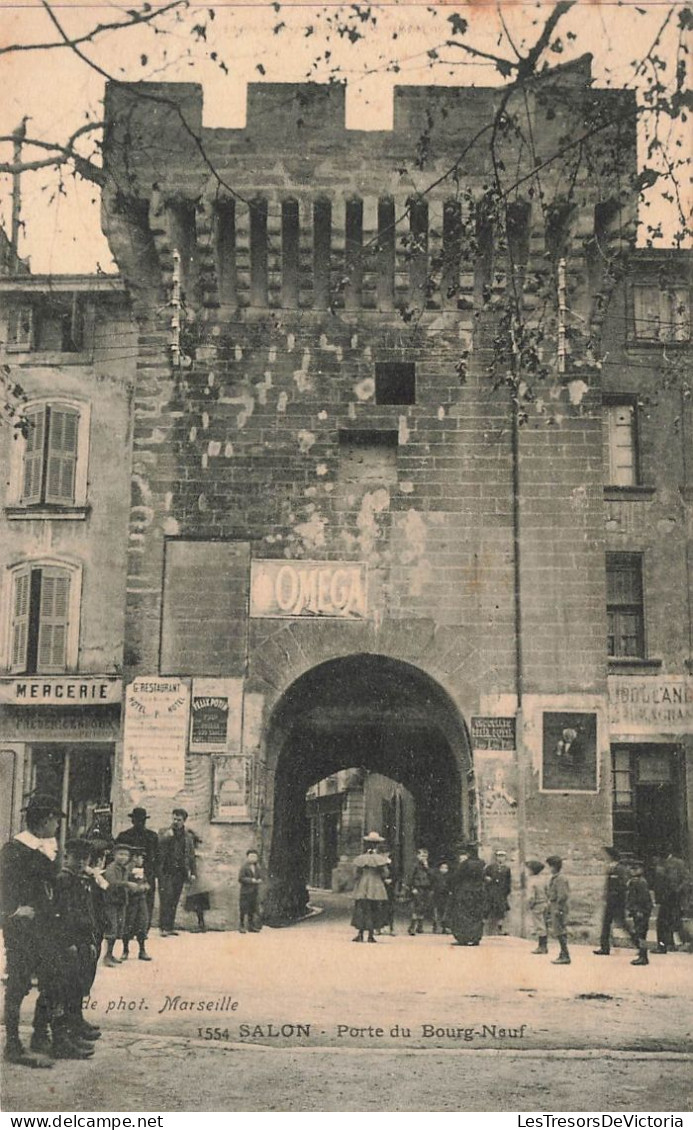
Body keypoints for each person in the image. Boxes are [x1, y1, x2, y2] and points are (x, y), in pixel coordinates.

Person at [0, 794, 66, 1067]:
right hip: (22, 929)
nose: (58, 826)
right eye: (55, 820)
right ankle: (12, 1044)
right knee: (19, 983)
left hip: (45, 926)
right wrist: (13, 912)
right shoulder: (14, 850)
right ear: (45, 820)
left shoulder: (45, 847)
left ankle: (40, 1034)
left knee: (52, 977)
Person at [51, 839, 100, 1054]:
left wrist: (89, 939)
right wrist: (68, 942)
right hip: (68, 941)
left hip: (81, 939)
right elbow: (62, 915)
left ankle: (76, 1024)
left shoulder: (82, 879)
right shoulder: (64, 880)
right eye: (76, 857)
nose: (80, 862)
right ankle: (66, 1036)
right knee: (66, 987)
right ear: (66, 857)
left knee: (79, 983)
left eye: (85, 858)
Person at [114, 808, 159, 927]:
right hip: (128, 873)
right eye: (136, 820)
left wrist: (152, 873)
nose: (139, 823)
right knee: (128, 900)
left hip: (147, 873)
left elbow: (157, 857)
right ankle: (127, 927)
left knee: (146, 901)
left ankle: (143, 928)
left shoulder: (152, 836)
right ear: (132, 821)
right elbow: (117, 854)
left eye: (141, 821)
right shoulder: (124, 836)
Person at [158, 808, 197, 936]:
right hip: (166, 871)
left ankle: (170, 927)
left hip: (180, 872)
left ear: (184, 821)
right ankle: (163, 927)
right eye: (174, 818)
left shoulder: (188, 836)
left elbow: (191, 856)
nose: (176, 822)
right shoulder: (164, 832)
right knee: (166, 898)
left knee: (174, 899)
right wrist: (165, 838)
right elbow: (157, 847)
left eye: (179, 820)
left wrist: (193, 872)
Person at [351, 831, 389, 943]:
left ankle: (360, 934)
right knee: (374, 909)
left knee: (362, 909)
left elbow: (356, 874)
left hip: (363, 885)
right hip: (376, 886)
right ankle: (371, 935)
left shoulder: (361, 858)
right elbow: (385, 873)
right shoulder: (380, 859)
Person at [102, 843, 136, 965]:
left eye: (126, 855)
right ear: (114, 855)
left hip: (121, 902)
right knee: (112, 927)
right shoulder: (112, 868)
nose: (123, 857)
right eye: (120, 854)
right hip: (111, 901)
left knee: (118, 928)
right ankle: (107, 956)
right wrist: (127, 884)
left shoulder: (124, 868)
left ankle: (110, 954)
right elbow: (112, 883)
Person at [447, 844, 486, 946]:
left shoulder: (465, 864)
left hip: (465, 892)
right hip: (478, 892)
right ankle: (475, 937)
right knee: (476, 914)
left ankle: (463, 938)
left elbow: (457, 876)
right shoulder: (481, 863)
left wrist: (453, 887)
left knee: (463, 914)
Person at [593, 846, 628, 955]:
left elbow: (622, 885)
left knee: (624, 925)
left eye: (606, 855)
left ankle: (640, 945)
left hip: (617, 901)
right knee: (606, 924)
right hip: (610, 901)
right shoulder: (610, 868)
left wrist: (617, 897)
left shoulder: (620, 869)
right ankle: (604, 947)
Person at [122, 847, 153, 961]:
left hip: (141, 900)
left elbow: (145, 883)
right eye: (140, 857)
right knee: (128, 924)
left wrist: (145, 886)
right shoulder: (127, 869)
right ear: (134, 858)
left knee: (142, 923)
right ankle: (125, 950)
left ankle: (142, 950)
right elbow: (126, 884)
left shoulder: (140, 869)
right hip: (131, 902)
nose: (142, 860)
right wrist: (136, 888)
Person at [626, 859, 653, 966]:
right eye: (632, 868)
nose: (632, 871)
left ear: (641, 870)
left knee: (641, 934)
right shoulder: (636, 881)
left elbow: (643, 899)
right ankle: (642, 954)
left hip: (640, 911)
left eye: (635, 869)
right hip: (638, 911)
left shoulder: (640, 882)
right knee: (640, 933)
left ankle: (643, 956)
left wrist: (640, 911)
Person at [546, 855, 571, 965]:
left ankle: (565, 955)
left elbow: (563, 895)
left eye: (550, 866)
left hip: (558, 906)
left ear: (554, 867)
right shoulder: (556, 878)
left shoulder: (560, 879)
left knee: (560, 931)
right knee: (559, 931)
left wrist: (559, 909)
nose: (549, 869)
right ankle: (563, 953)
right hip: (555, 905)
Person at [185, 838, 213, 931]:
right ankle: (200, 924)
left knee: (198, 904)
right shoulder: (193, 855)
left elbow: (197, 869)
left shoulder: (195, 856)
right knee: (197, 905)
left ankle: (201, 924)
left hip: (198, 883)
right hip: (198, 883)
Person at [484, 849, 512, 935]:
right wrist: (487, 880)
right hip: (491, 892)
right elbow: (484, 876)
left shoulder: (506, 869)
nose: (501, 858)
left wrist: (506, 891)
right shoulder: (490, 867)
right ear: (496, 857)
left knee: (501, 910)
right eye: (499, 856)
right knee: (487, 909)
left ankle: (500, 929)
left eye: (502, 856)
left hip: (501, 893)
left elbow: (508, 881)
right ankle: (484, 929)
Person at [407, 846, 433, 935]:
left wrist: (427, 867)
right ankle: (412, 927)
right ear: (418, 856)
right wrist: (412, 888)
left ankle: (420, 926)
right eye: (422, 856)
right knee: (416, 907)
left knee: (423, 906)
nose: (424, 858)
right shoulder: (415, 865)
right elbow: (410, 877)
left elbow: (431, 876)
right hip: (417, 887)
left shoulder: (427, 866)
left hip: (426, 887)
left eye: (425, 856)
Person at [526, 860, 549, 954]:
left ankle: (542, 947)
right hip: (544, 903)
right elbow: (548, 891)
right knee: (544, 924)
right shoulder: (543, 879)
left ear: (532, 870)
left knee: (539, 926)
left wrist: (530, 905)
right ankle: (544, 945)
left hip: (537, 905)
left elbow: (531, 896)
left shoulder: (532, 881)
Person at [238, 849, 262, 933]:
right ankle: (241, 926)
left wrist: (259, 880)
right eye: (251, 856)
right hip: (245, 891)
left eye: (255, 856)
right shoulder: (244, 867)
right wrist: (251, 880)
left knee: (252, 909)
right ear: (247, 857)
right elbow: (241, 878)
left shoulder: (257, 867)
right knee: (243, 909)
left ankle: (250, 926)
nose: (253, 858)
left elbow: (260, 876)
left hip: (254, 892)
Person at [431, 860, 451, 934]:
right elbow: (433, 884)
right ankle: (436, 926)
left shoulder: (449, 876)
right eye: (442, 867)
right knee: (436, 911)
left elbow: (450, 885)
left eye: (446, 868)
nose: (444, 869)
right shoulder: (436, 876)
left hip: (445, 895)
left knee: (445, 911)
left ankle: (444, 927)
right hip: (437, 895)